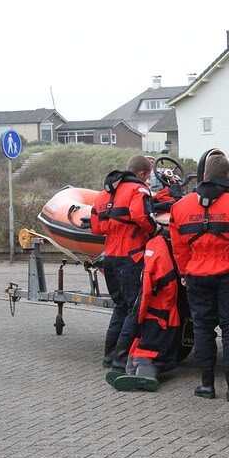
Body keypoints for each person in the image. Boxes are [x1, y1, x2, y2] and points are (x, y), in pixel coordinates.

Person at [169, 153, 229, 402]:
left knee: (202, 328)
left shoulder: (180, 206)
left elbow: (179, 247)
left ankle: (207, 385)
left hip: (196, 274)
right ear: (227, 175)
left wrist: (184, 272)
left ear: (204, 175)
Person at [90, 155, 157, 376]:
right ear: (143, 174)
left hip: (110, 257)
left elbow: (96, 228)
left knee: (119, 306)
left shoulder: (103, 194)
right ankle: (121, 359)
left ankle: (109, 355)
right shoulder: (138, 190)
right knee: (132, 308)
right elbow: (141, 215)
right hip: (132, 257)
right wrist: (152, 229)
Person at [110, 228, 182, 392]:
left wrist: (138, 317)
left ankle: (136, 373)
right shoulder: (161, 247)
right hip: (162, 309)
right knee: (145, 346)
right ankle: (134, 372)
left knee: (146, 347)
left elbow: (147, 289)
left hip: (158, 309)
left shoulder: (153, 247)